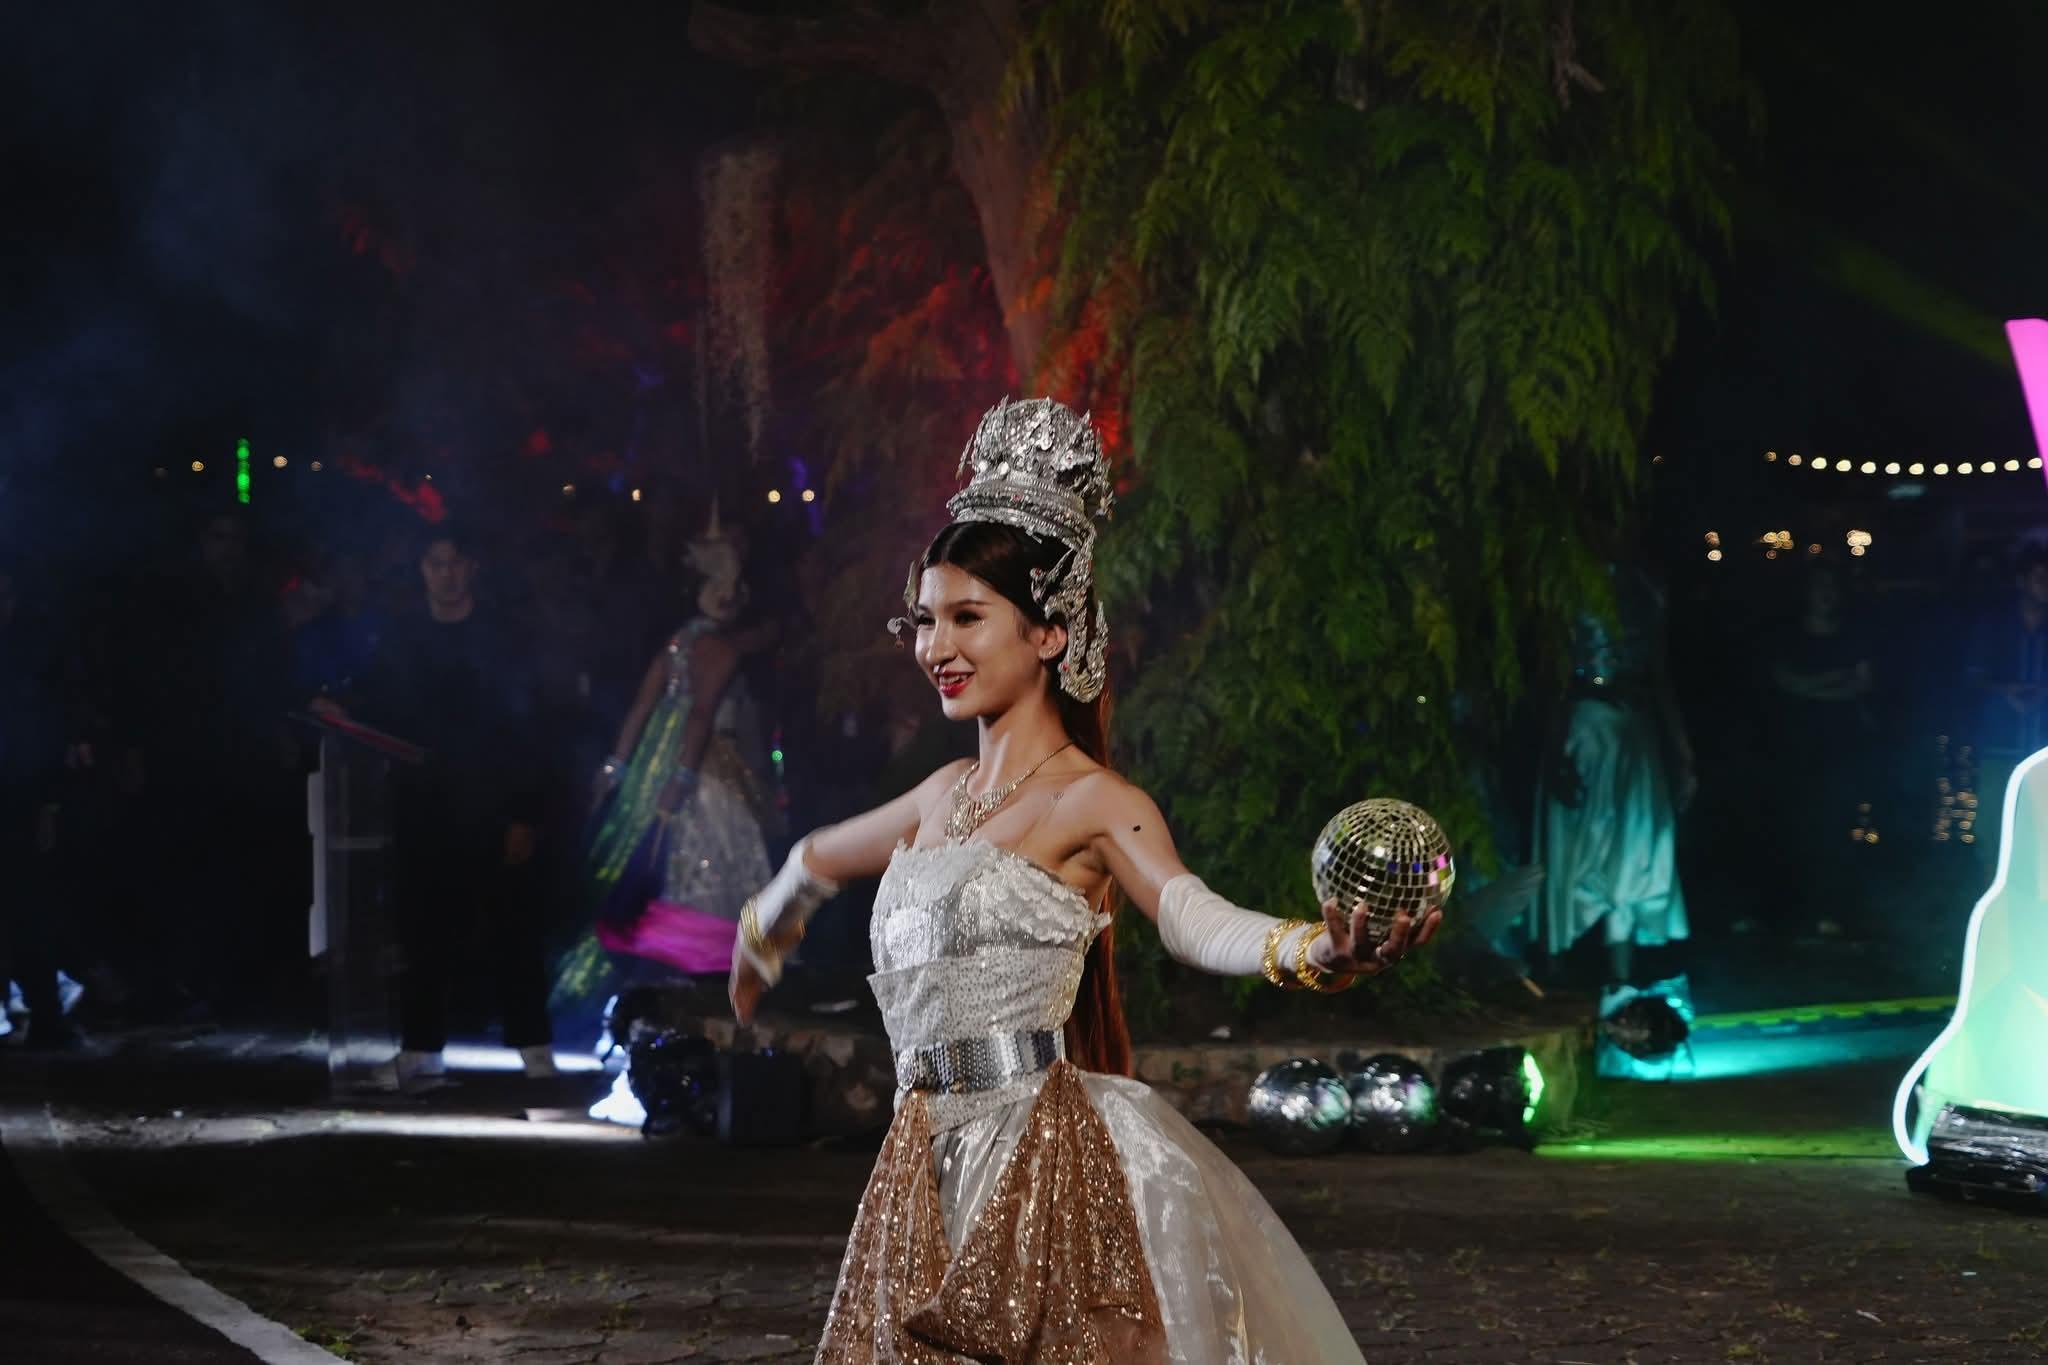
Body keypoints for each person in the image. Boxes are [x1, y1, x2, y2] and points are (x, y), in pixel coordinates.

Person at [726, 399, 1438, 1361]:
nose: (936, 647)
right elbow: (813, 856)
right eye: (926, 620)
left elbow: (1187, 914)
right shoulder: (940, 794)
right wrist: (764, 932)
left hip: (1041, 1163)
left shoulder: (1094, 801)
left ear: (1052, 634)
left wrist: (1312, 947)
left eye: (968, 618)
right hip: (918, 1164)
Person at [343, 525, 555, 1086]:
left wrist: (524, 814)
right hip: (427, 804)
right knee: (424, 930)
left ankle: (533, 1042)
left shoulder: (502, 638)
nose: (446, 574)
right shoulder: (404, 637)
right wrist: (338, 705)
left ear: (472, 568)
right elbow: (381, 703)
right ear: (422, 570)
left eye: (455, 562)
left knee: (512, 928)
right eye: (436, 563)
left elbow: (529, 729)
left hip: (493, 801)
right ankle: (421, 1046)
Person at [553, 505, 780, 1017]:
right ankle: (694, 991)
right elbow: (699, 714)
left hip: (660, 769)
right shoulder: (716, 648)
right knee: (704, 875)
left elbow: (641, 706)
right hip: (702, 771)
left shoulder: (681, 640)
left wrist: (617, 768)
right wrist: (682, 776)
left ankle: (677, 990)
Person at [1533, 558, 1694, 1029]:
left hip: (1632, 730)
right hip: (1586, 726)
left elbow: (1659, 674)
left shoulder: (1646, 584)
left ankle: (1619, 979)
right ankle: (1554, 968)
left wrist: (1683, 753)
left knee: (1633, 850)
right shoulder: (1563, 579)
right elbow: (1551, 669)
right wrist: (1554, 748)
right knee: (1574, 848)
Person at [1767, 561, 1878, 937]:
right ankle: (1795, 909)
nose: (1827, 594)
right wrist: (1833, 681)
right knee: (1797, 825)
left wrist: (1811, 687)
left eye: (1832, 586)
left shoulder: (1852, 636)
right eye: (1819, 586)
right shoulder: (1790, 636)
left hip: (1841, 749)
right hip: (1796, 748)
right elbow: (1786, 681)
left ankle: (1830, 910)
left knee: (1837, 826)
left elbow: (1861, 683)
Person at [1963, 542, 2048, 870]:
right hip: (1999, 745)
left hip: (2042, 749)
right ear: (2021, 581)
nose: (2045, 585)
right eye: (2039, 578)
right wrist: (2006, 692)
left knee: (2042, 833)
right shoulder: (1994, 625)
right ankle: (1995, 893)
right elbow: (1973, 677)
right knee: (1993, 829)